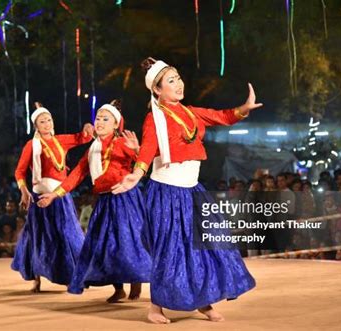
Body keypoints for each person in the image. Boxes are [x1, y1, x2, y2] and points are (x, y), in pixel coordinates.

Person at [111, 57, 259, 323]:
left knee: (208, 244)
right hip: (167, 192)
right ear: (157, 90)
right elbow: (147, 149)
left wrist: (243, 108)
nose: (178, 83)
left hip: (192, 190)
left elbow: (221, 116)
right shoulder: (153, 118)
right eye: (171, 80)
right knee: (170, 249)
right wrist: (136, 174)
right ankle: (156, 307)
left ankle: (204, 301)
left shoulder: (190, 112)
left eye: (178, 78)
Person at [39, 100, 151, 303]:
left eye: (105, 119)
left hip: (125, 199)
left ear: (116, 124)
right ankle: (119, 288)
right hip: (105, 202)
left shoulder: (121, 143)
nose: (99, 122)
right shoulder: (92, 149)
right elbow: (76, 175)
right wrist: (54, 194)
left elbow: (143, 163)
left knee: (129, 242)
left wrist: (136, 150)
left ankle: (136, 281)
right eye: (98, 118)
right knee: (106, 246)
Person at [11, 103, 93, 292]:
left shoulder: (61, 141)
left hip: (59, 197)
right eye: (42, 122)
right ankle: (36, 279)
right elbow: (19, 171)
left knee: (65, 235)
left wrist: (88, 127)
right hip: (39, 199)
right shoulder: (32, 145)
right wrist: (24, 190)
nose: (47, 124)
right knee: (37, 237)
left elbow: (82, 137)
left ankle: (71, 275)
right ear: (36, 126)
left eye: (48, 120)